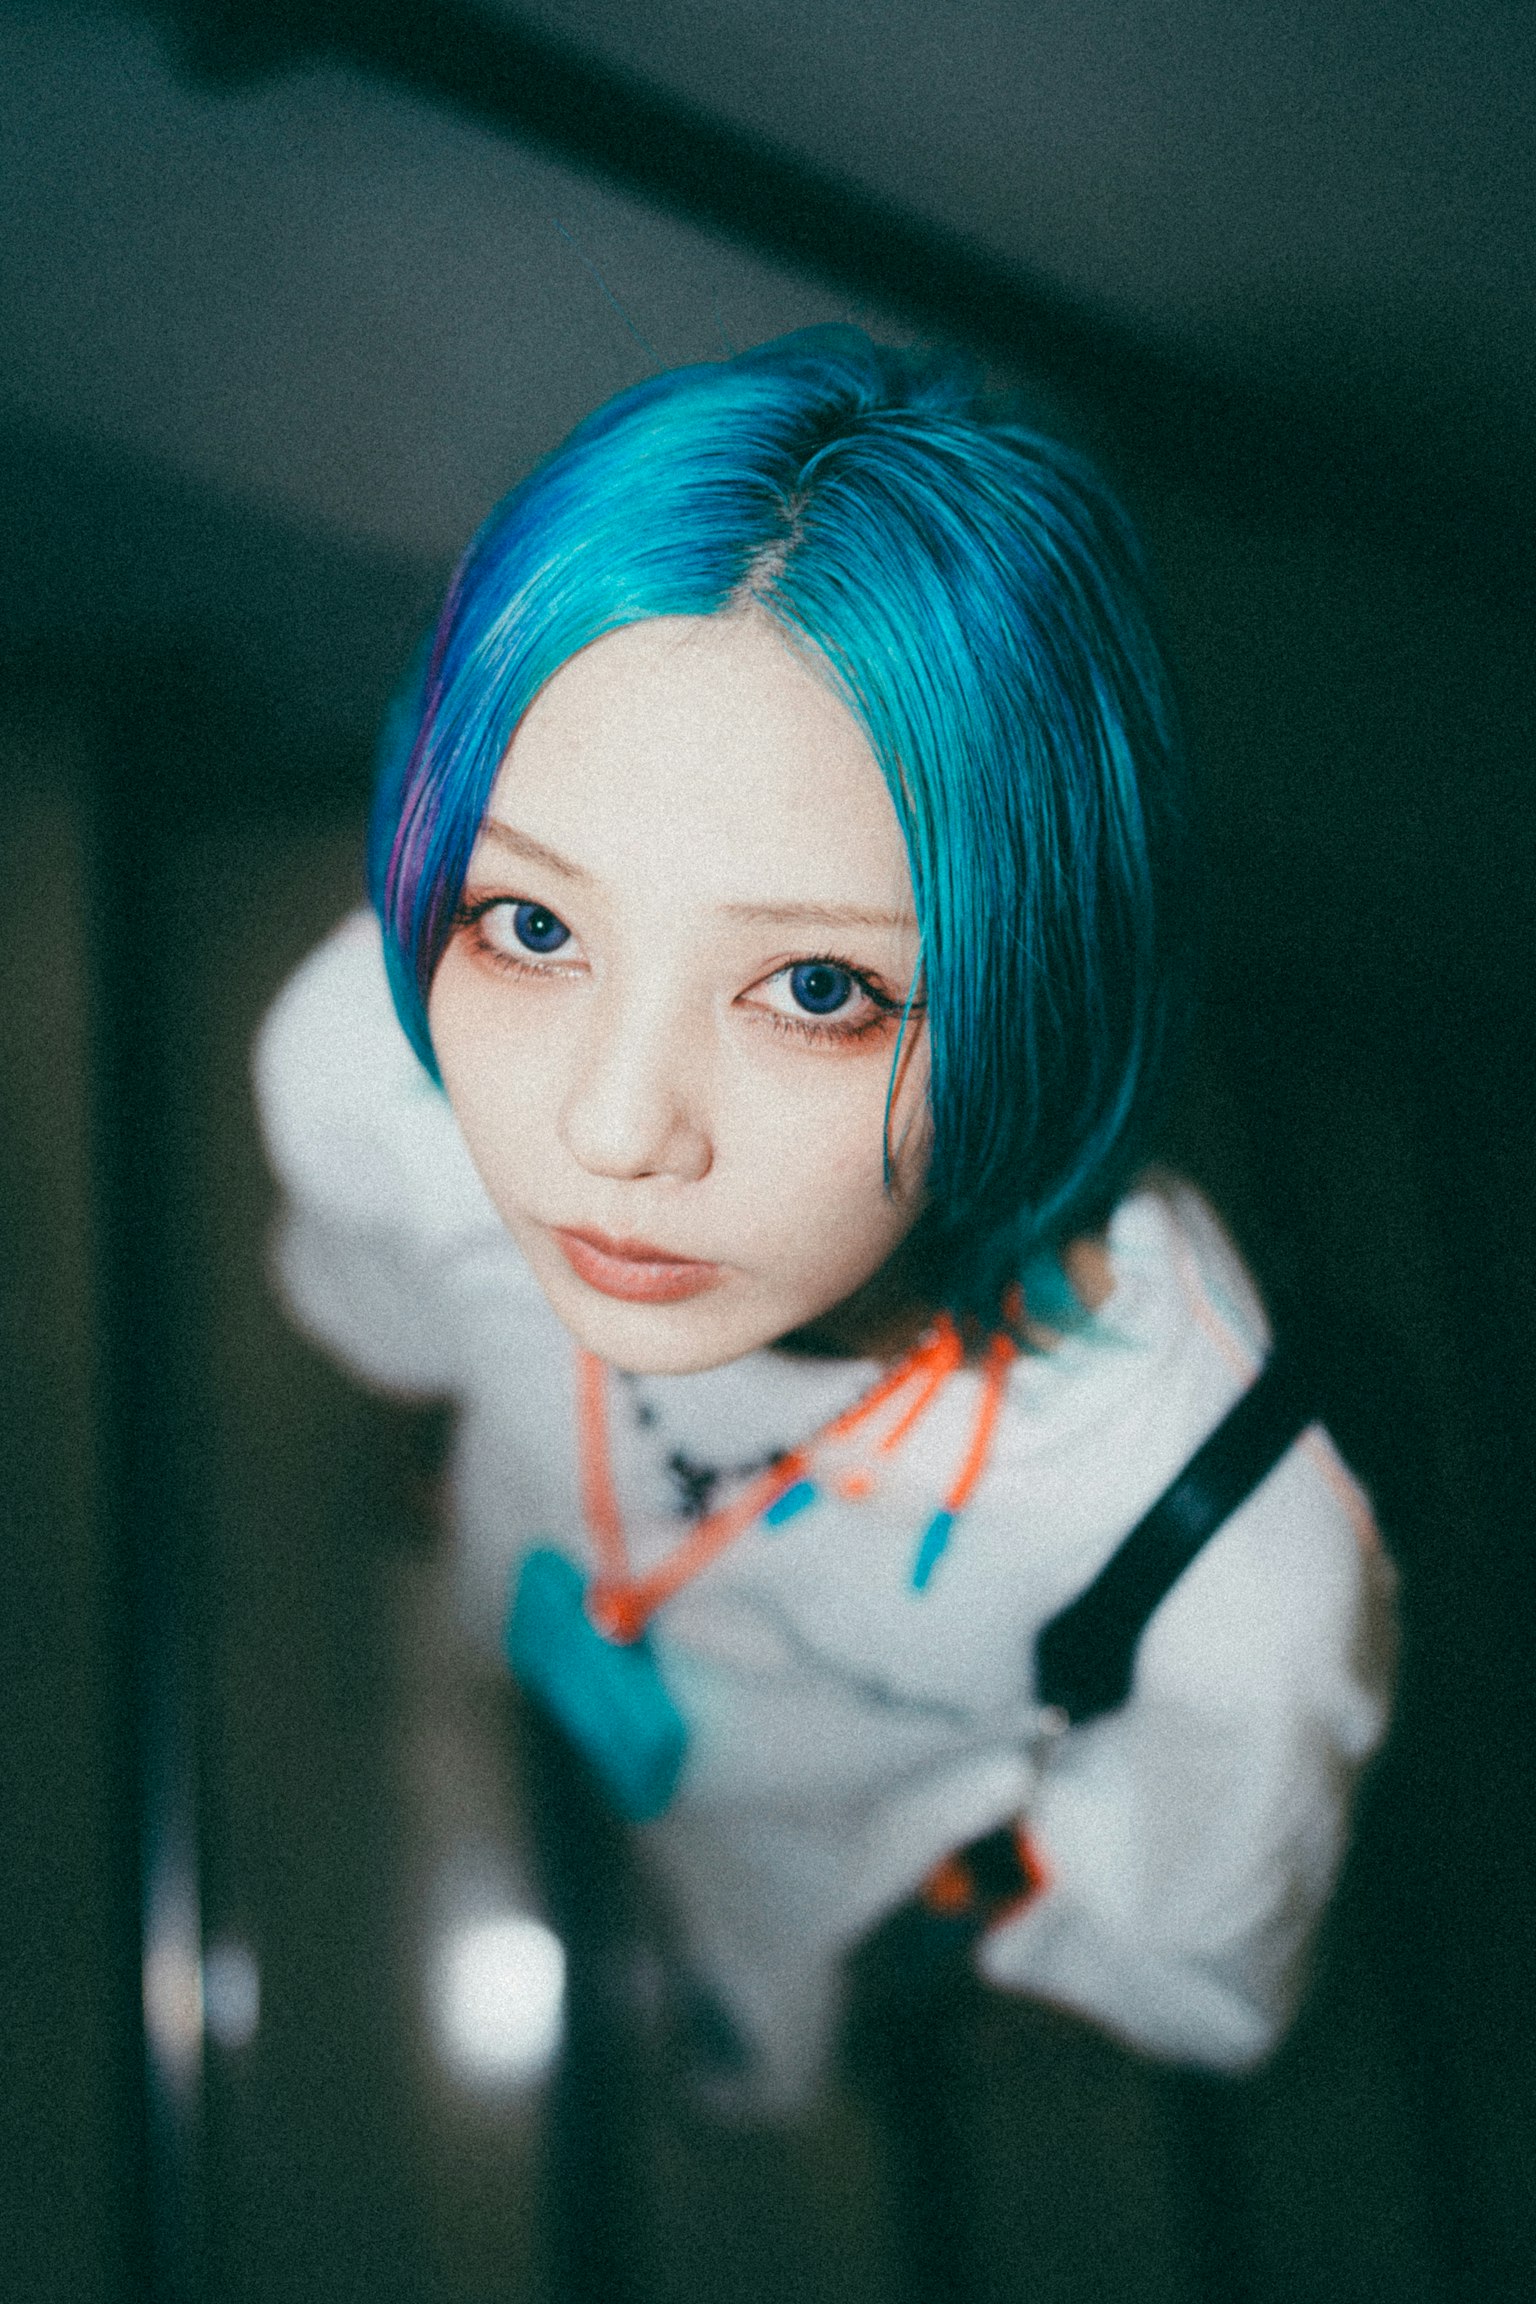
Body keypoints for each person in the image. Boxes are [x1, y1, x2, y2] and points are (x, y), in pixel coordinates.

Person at [254, 328, 1394, 2125]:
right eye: (531, 927)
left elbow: (1180, 1948)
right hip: (546, 1585)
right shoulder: (370, 1065)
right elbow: (399, 1312)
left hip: (830, 1861)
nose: (606, 1130)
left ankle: (748, 2059)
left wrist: (973, 1918)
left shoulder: (1229, 1566)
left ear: (1043, 987)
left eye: (813, 985)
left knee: (764, 2010)